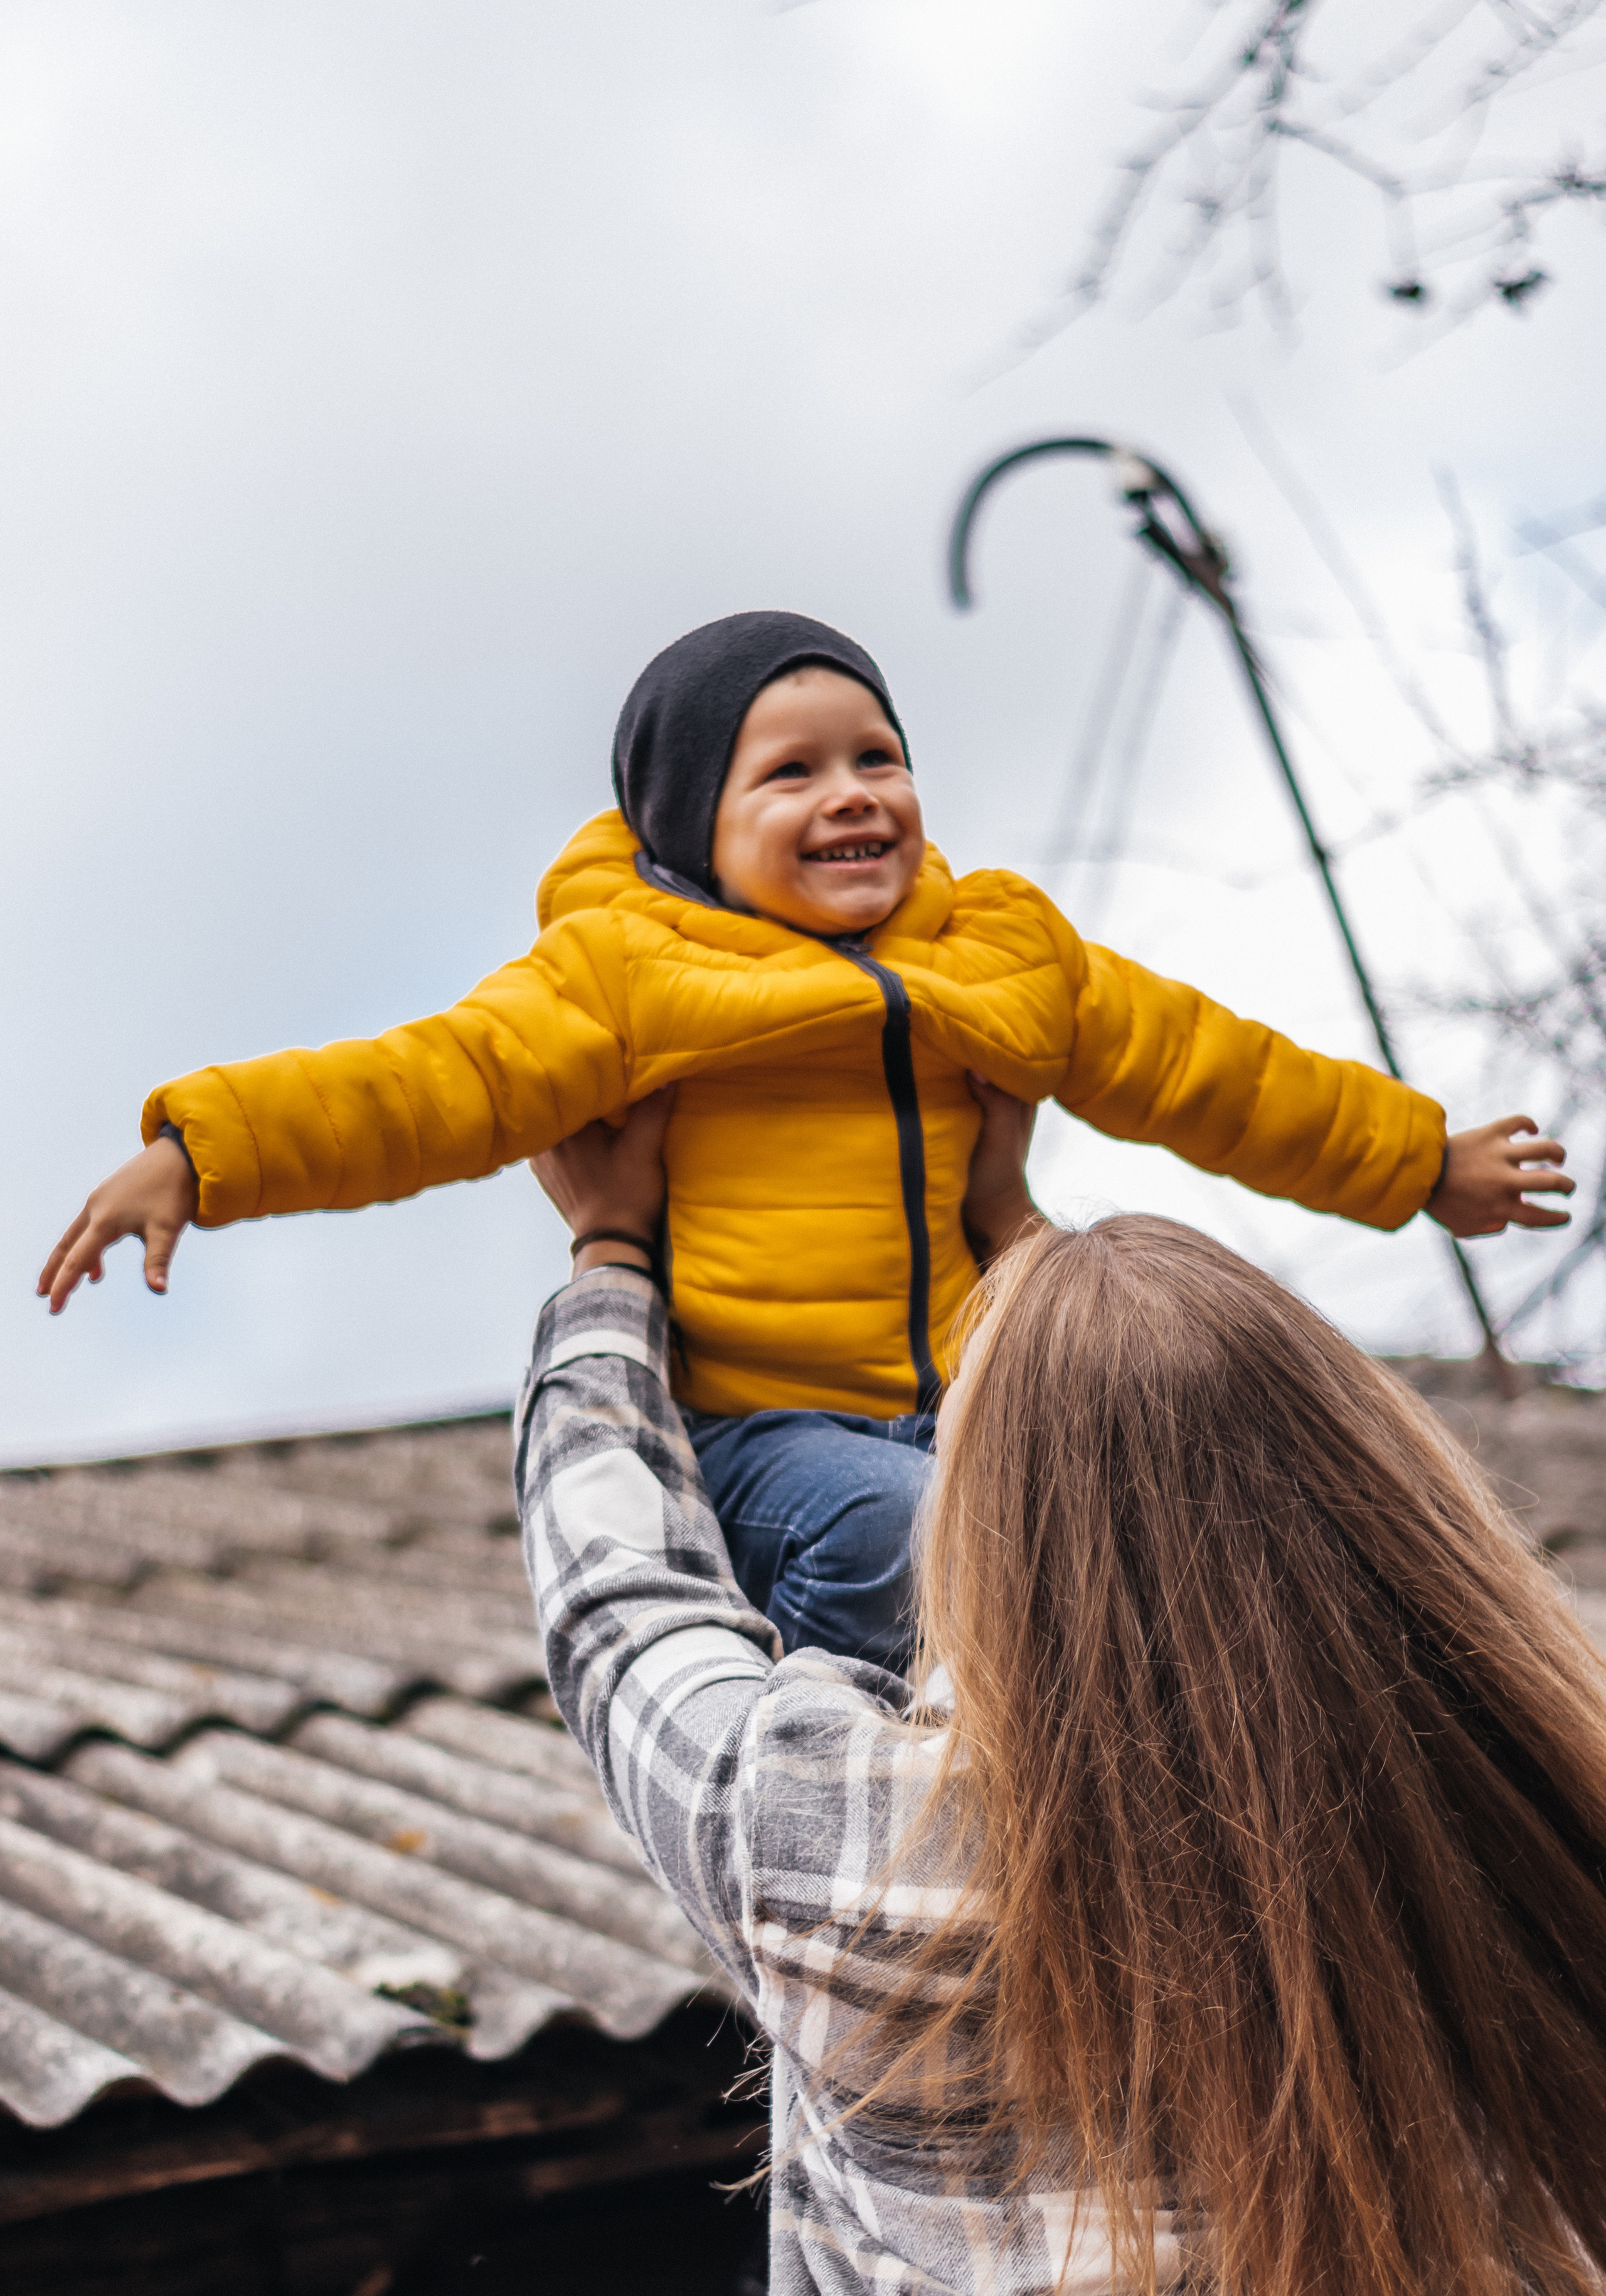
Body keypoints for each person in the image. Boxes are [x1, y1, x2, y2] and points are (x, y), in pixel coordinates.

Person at [40, 611, 1571, 1667]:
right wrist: (204, 1153)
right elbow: (427, 1082)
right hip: (769, 1432)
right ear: (692, 826)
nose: (852, 799)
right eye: (791, 774)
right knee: (906, 1548)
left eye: (876, 758)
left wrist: (1416, 1161)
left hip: (984, 1389)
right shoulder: (627, 976)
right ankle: (915, 1749)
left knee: (1187, 1524)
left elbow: (1204, 1067)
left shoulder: (999, 950)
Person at [519, 1097, 1606, 2296]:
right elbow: (1184, 1485)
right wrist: (1015, 1243)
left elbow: (616, 1594)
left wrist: (609, 1254)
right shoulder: (1535, 1811)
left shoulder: (853, 1855)